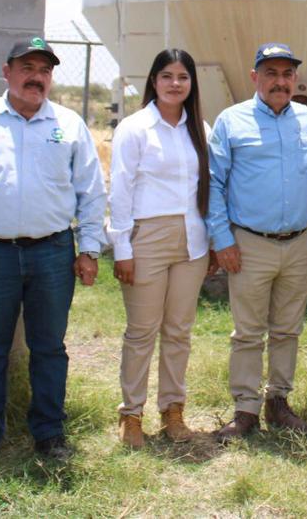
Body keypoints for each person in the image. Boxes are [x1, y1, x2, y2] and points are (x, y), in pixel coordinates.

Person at [0, 37, 106, 472]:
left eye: (44, 70)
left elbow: (91, 190)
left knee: (49, 347)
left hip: (52, 254)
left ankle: (50, 433)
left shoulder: (68, 125)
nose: (36, 77)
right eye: (27, 67)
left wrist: (88, 248)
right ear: (6, 72)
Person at [209, 43, 307, 442]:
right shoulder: (231, 121)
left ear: (295, 79)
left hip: (299, 242)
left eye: (287, 74)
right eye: (270, 73)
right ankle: (245, 409)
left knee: (288, 329)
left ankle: (279, 401)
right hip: (250, 243)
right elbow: (215, 183)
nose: (279, 81)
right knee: (248, 332)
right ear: (254, 77)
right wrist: (222, 241)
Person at [108, 49, 211, 448]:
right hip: (146, 236)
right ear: (153, 81)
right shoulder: (135, 128)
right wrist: (121, 248)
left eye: (182, 77)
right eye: (166, 76)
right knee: (141, 331)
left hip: (192, 239)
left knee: (178, 331)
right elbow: (121, 188)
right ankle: (131, 414)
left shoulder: (197, 127)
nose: (174, 84)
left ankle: (173, 411)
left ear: (191, 84)